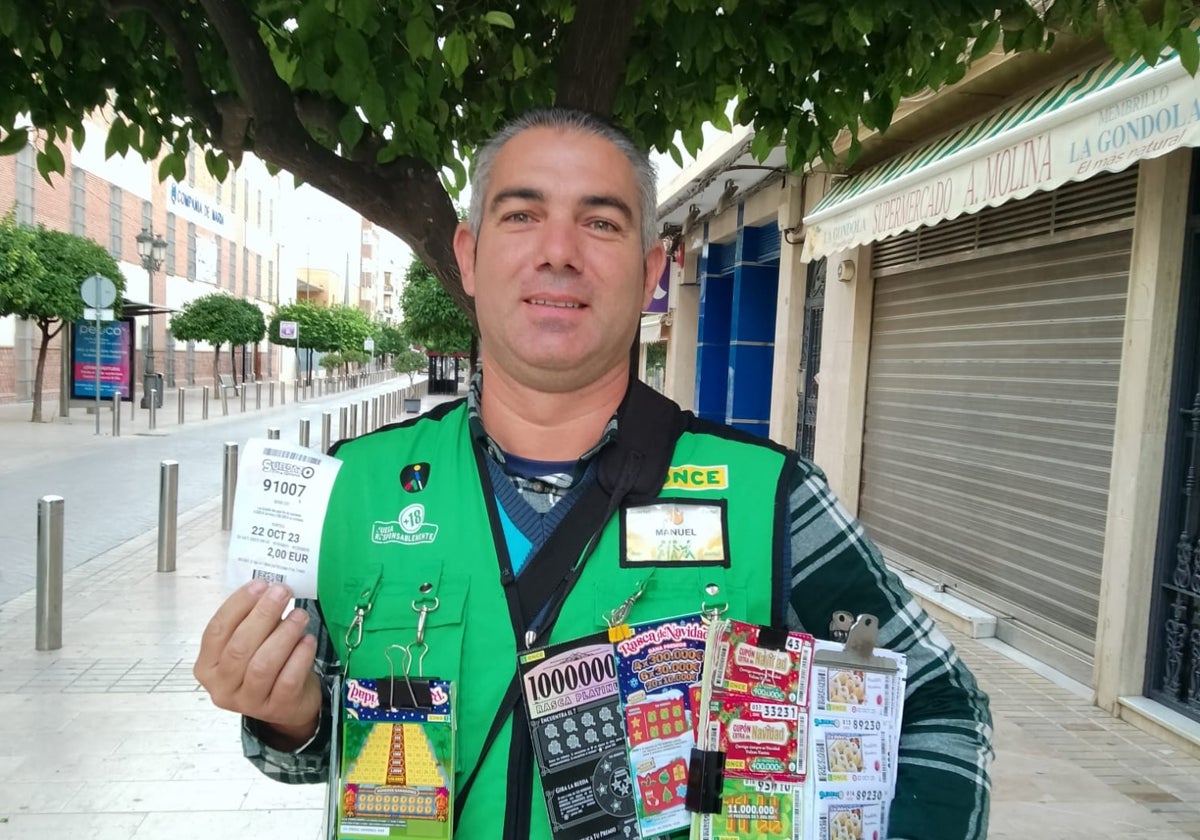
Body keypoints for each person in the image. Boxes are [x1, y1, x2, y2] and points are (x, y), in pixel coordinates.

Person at [194, 108, 993, 840]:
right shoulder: (351, 488)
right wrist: (285, 716)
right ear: (469, 257)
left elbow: (945, 710)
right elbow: (305, 752)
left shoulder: (771, 498)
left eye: (600, 223)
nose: (558, 252)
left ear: (651, 272)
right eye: (521, 214)